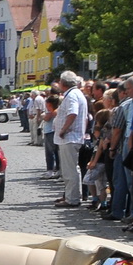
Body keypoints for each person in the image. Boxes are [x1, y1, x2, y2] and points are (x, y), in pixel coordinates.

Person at [54, 72, 89, 207]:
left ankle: (72, 199)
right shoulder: (76, 93)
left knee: (70, 171)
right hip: (73, 137)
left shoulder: (72, 95)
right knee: (73, 169)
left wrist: (63, 129)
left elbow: (72, 113)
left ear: (63, 83)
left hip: (69, 137)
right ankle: (72, 195)